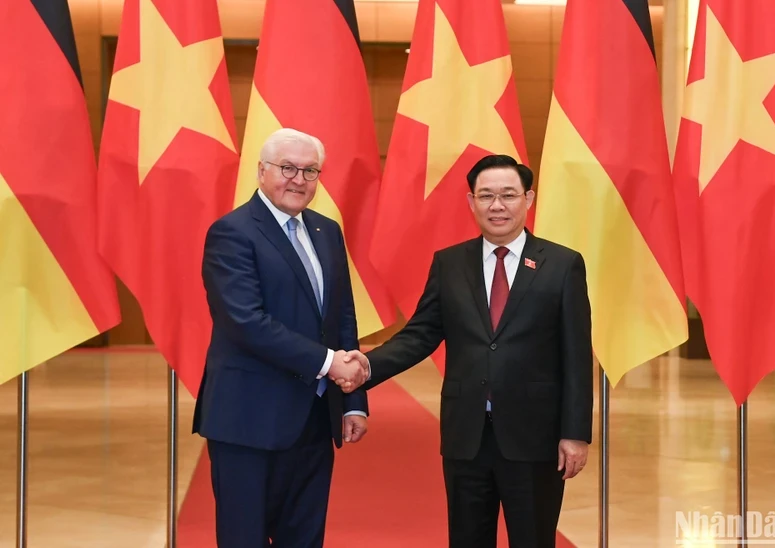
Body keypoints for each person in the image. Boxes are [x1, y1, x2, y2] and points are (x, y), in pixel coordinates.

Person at [339, 154, 593, 548]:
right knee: (467, 538)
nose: (497, 206)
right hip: (466, 435)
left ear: (528, 198)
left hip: (535, 435)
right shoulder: (450, 263)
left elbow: (576, 356)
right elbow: (420, 334)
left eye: (508, 195)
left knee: (533, 538)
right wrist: (368, 364)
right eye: (486, 195)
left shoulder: (561, 265)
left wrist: (575, 433)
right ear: (470, 202)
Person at [192, 128, 370, 548]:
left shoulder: (328, 232)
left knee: (304, 538)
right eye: (287, 168)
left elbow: (341, 316)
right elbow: (245, 322)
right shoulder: (232, 232)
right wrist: (329, 364)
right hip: (247, 422)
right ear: (262, 171)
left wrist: (353, 402)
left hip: (312, 419)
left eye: (310, 170)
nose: (299, 179)